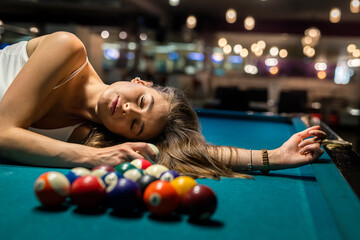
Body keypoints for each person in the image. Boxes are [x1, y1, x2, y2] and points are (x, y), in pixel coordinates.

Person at [0, 31, 326, 179]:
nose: (128, 110)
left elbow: (184, 153)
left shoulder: (86, 132)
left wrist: (273, 157)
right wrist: (92, 157)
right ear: (141, 82)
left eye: (135, 125)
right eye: (142, 101)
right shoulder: (67, 48)